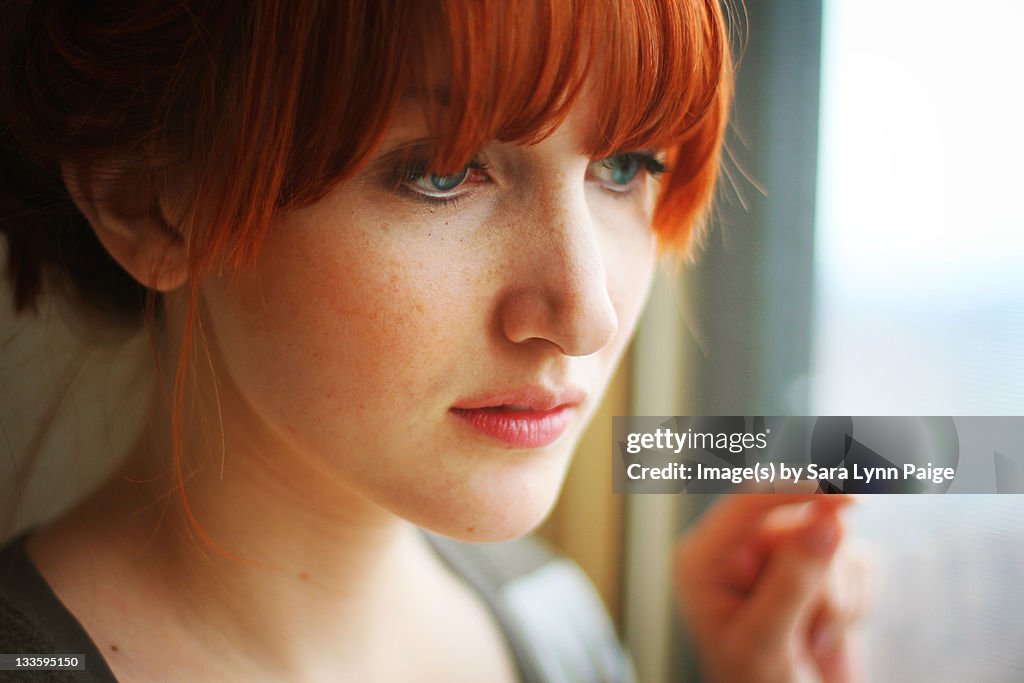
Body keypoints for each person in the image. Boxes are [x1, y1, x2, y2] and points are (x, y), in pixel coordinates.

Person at [0, 1, 866, 681]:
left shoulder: (556, 626)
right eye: (444, 172)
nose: (586, 315)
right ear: (149, 200)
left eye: (626, 164)